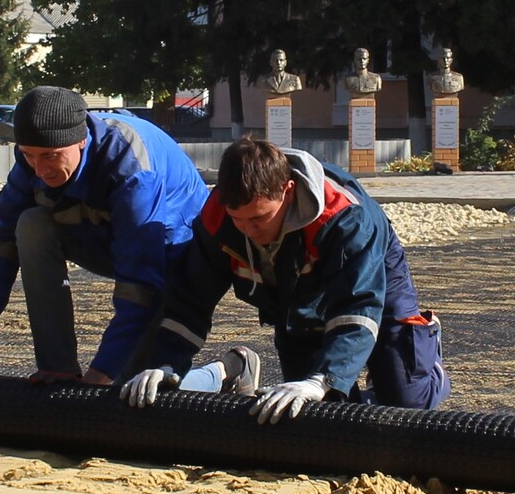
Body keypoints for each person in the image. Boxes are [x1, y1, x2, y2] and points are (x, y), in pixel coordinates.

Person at [116, 135, 448, 422]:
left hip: (372, 270)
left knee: (404, 404)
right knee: (310, 415)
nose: (248, 230)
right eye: (239, 220)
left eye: (259, 218)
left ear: (288, 191)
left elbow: (357, 303)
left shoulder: (347, 219)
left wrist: (324, 379)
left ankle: (425, 366)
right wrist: (165, 364)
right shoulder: (219, 219)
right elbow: (190, 299)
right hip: (293, 285)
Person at [0, 85, 211, 385]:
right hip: (110, 234)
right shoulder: (30, 166)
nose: (41, 170)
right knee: (32, 224)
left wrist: (99, 376)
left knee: (135, 388)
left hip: (174, 252)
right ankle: (58, 370)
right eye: (29, 155)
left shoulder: (130, 167)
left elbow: (139, 284)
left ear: (81, 141)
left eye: (51, 156)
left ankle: (224, 372)